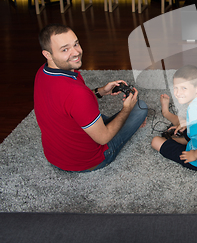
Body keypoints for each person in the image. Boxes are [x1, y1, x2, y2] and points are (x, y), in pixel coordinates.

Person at [34, 24, 148, 172]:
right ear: (47, 54)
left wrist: (100, 91)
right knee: (140, 107)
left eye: (76, 44)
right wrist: (127, 110)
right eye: (65, 49)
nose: (76, 52)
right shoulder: (77, 94)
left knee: (94, 115)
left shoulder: (42, 72)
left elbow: (66, 104)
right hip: (87, 161)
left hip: (54, 155)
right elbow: (103, 138)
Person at [151, 65, 197, 175]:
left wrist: (194, 155)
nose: (177, 93)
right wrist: (188, 123)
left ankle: (170, 123)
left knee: (155, 141)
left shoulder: (193, 110)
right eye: (176, 87)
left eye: (183, 88)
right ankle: (167, 114)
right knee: (183, 124)